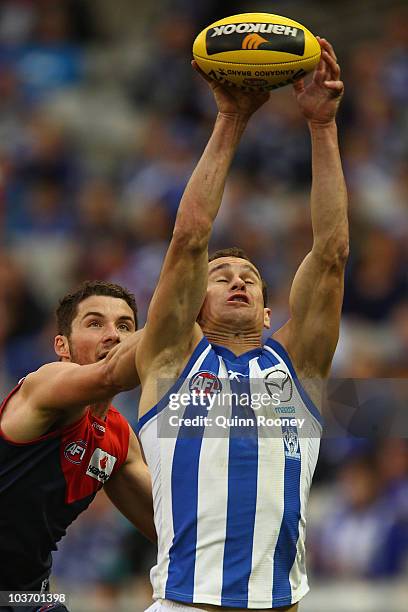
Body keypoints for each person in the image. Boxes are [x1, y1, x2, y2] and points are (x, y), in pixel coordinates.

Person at [136, 38, 348, 612]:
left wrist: (323, 129)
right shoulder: (169, 362)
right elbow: (188, 239)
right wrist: (231, 119)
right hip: (186, 604)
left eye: (250, 275)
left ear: (267, 308)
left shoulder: (297, 367)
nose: (236, 280)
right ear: (193, 307)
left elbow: (329, 255)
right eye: (220, 274)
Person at [0, 280, 155, 611]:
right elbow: (111, 375)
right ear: (62, 346)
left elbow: (171, 528)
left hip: (28, 597)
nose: (113, 335)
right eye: (95, 323)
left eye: (125, 326)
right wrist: (183, 316)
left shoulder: (119, 439)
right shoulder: (44, 385)